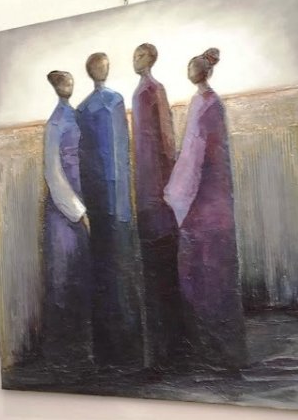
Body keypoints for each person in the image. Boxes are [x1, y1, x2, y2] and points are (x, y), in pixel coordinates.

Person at [164, 48, 248, 369]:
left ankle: (211, 350)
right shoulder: (210, 102)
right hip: (216, 200)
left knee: (203, 272)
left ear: (201, 72)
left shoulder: (204, 104)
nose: (191, 71)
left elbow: (193, 158)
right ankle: (223, 348)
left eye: (193, 67)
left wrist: (175, 194)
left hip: (202, 204)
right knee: (218, 271)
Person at [76, 52, 143, 369]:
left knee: (104, 272)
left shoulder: (82, 108)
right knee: (122, 271)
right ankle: (127, 350)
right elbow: (120, 154)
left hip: (98, 203)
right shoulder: (114, 101)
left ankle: (107, 351)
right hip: (117, 202)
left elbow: (87, 162)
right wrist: (122, 202)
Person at [130, 44, 191, 368]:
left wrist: (168, 186)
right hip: (146, 191)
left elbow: (167, 139)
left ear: (151, 59)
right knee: (153, 270)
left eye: (140, 56)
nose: (135, 60)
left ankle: (171, 346)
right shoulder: (139, 93)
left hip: (158, 192)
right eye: (135, 56)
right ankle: (160, 347)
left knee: (163, 266)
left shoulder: (154, 91)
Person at [40, 70, 92, 367]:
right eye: (64, 82)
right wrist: (77, 211)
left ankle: (81, 347)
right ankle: (61, 353)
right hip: (63, 214)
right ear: (56, 87)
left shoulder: (76, 116)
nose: (69, 85)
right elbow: (53, 174)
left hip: (81, 203)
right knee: (62, 276)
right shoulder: (55, 124)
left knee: (79, 275)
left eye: (71, 81)